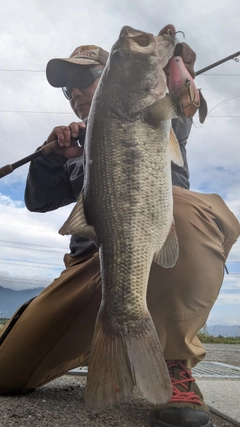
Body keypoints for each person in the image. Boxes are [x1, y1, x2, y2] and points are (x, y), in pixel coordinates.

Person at [0, 24, 239, 427]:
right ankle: (106, 343)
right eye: (66, 87)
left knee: (185, 209)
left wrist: (177, 67)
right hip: (89, 271)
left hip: (156, 264)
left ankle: (173, 361)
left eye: (83, 78)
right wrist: (52, 156)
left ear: (111, 77)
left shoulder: (158, 112)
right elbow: (37, 201)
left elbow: (182, 109)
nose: (74, 91)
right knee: (6, 371)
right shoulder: (78, 149)